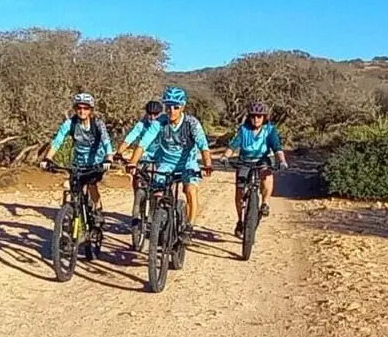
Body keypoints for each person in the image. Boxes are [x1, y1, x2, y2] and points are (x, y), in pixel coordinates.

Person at [125, 86, 213, 241]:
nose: (171, 111)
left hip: (188, 163)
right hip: (166, 163)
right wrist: (133, 162)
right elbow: (143, 144)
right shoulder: (159, 122)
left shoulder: (192, 123)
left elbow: (203, 146)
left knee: (190, 190)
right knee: (158, 192)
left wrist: (207, 164)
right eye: (168, 107)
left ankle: (189, 228)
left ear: (183, 107)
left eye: (176, 107)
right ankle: (160, 220)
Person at [40, 93, 114, 223]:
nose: (82, 111)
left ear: (91, 110)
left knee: (91, 184)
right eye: (79, 108)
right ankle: (70, 213)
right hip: (79, 161)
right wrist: (47, 158)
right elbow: (57, 141)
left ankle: (97, 209)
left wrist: (109, 158)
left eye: (86, 108)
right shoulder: (70, 123)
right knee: (73, 186)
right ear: (75, 109)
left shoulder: (97, 123)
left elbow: (106, 141)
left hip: (96, 161)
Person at [220, 101, 288, 238]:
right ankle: (240, 221)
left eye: (259, 116)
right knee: (239, 192)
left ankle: (265, 203)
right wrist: (225, 156)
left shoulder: (270, 130)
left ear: (264, 117)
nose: (256, 119)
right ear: (249, 117)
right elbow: (233, 145)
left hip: (262, 160)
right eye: (253, 116)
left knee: (267, 174)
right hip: (244, 161)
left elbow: (277, 148)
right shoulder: (243, 130)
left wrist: (282, 161)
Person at [115, 99, 164, 225]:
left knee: (158, 184)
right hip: (143, 155)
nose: (152, 117)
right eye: (150, 114)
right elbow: (129, 138)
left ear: (160, 113)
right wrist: (119, 153)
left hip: (160, 156)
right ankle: (138, 198)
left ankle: (156, 212)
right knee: (136, 175)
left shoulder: (163, 124)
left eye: (155, 114)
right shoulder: (141, 124)